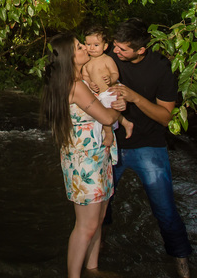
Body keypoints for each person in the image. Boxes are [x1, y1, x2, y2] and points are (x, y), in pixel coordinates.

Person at [106, 18, 193, 278]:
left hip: (149, 146)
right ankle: (94, 260)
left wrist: (134, 97)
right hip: (113, 144)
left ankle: (183, 266)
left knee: (165, 211)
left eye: (122, 49)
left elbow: (166, 118)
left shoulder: (162, 68)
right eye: (114, 46)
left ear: (141, 50)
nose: (116, 52)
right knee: (100, 207)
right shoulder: (110, 55)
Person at [41, 33, 126, 278]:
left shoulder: (81, 80)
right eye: (79, 47)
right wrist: (119, 108)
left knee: (97, 222)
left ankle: (92, 269)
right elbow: (108, 117)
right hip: (84, 163)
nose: (85, 48)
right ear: (69, 56)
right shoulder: (75, 86)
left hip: (98, 157)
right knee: (86, 225)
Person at [82, 25, 134, 143]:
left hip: (109, 90)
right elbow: (85, 76)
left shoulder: (107, 59)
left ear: (105, 46)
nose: (92, 48)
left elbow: (115, 73)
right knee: (104, 109)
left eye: (96, 45)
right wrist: (90, 83)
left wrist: (111, 79)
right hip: (99, 94)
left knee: (106, 111)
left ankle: (109, 134)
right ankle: (126, 123)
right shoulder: (86, 62)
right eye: (88, 44)